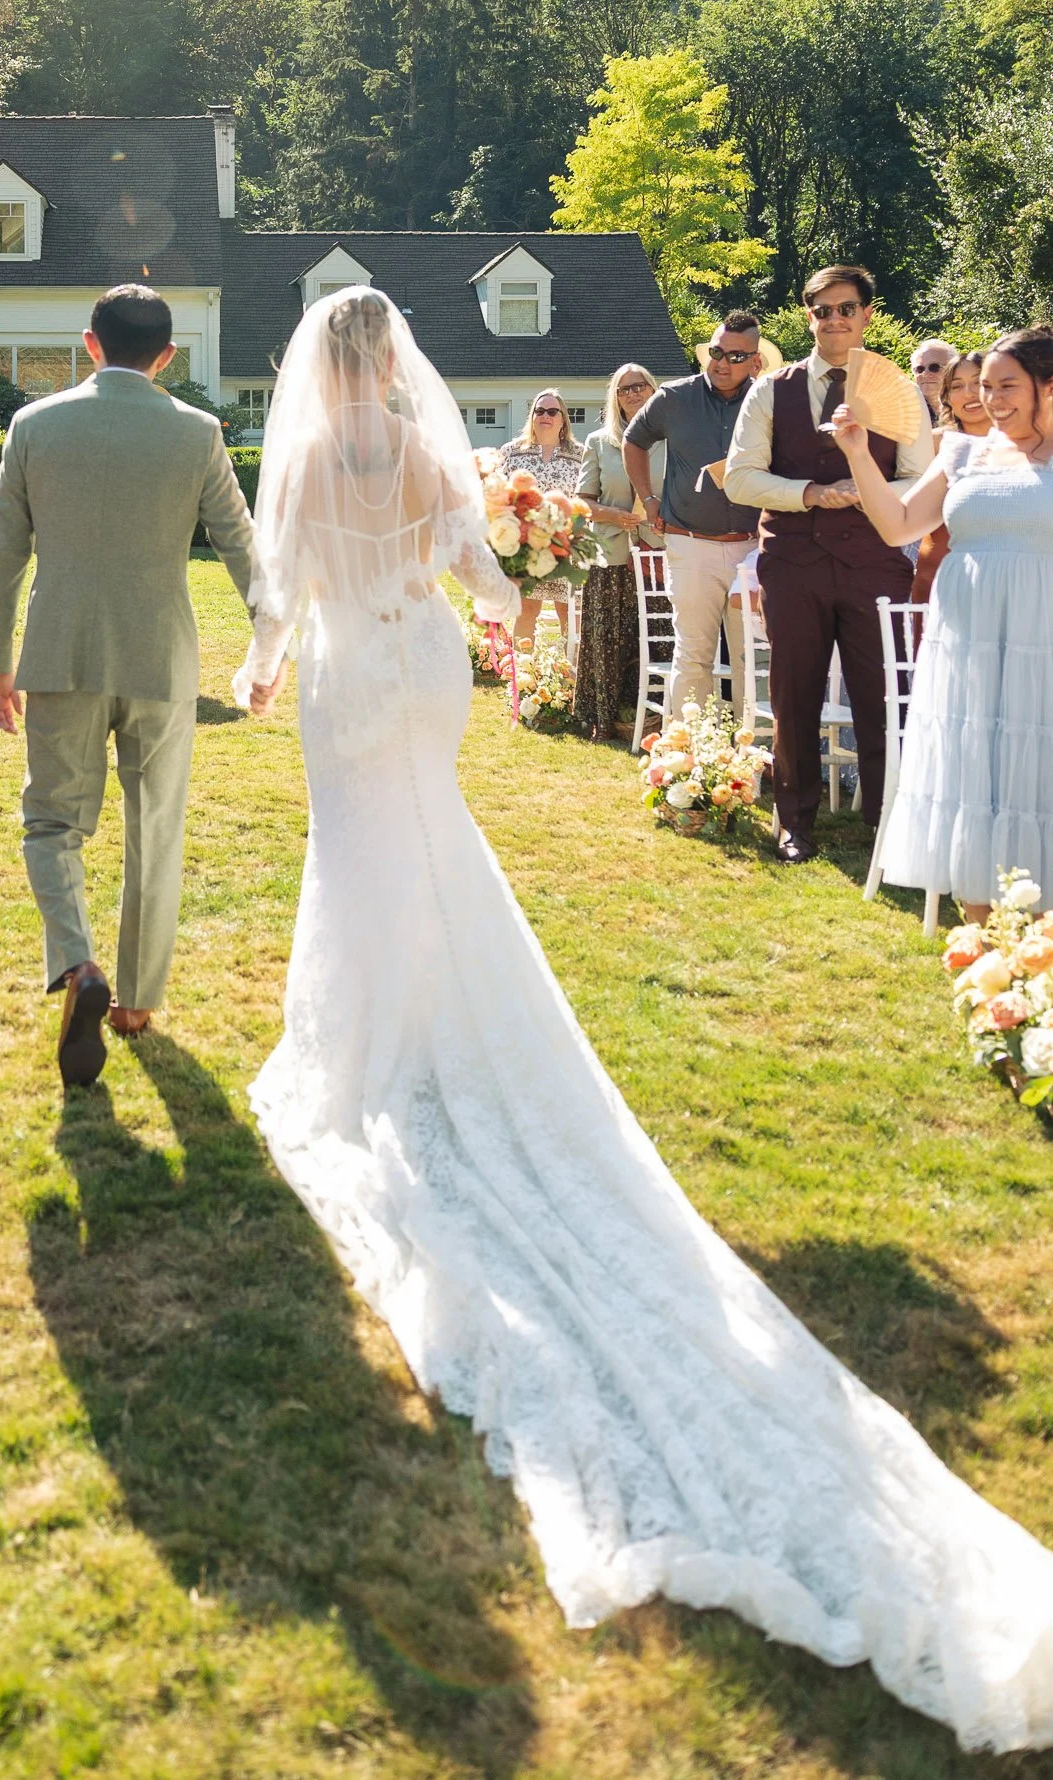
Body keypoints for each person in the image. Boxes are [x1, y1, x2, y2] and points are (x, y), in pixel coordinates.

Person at [236, 284, 1053, 1755]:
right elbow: (483, 582)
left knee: (353, 859)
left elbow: (276, 600)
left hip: (349, 680)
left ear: (314, 371)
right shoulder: (429, 460)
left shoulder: (293, 464)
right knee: (434, 856)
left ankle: (370, 1052)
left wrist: (255, 669)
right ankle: (430, 1032)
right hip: (421, 677)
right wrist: (524, 599)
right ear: (393, 366)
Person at [0, 282, 256, 1084]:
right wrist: (271, 636)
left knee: (50, 823)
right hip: (160, 654)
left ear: (89, 344)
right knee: (154, 826)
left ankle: (77, 963)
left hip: (60, 647)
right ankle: (135, 999)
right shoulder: (198, 432)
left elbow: (3, 553)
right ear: (167, 356)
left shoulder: (35, 424)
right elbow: (238, 542)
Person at [833, 326, 1053, 918]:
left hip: (1044, 640)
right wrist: (857, 452)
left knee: (1038, 774)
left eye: (1008, 385)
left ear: (1048, 387)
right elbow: (898, 525)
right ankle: (985, 947)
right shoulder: (961, 452)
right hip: (967, 641)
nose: (991, 397)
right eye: (984, 385)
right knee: (974, 775)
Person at [724, 267, 934, 864]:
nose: (835, 319)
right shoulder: (771, 390)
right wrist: (810, 493)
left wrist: (866, 489)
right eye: (823, 310)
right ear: (807, 315)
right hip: (793, 560)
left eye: (847, 308)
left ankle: (889, 821)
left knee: (884, 693)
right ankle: (794, 823)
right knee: (795, 693)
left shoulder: (898, 388)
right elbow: (740, 477)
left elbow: (918, 476)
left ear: (867, 314)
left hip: (875, 561)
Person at [622, 314, 764, 723]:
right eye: (716, 351)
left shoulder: (767, 402)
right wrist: (649, 499)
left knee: (748, 659)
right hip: (690, 543)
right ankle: (690, 754)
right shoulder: (674, 397)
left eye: (735, 356)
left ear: (755, 362)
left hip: (752, 549)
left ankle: (747, 759)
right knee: (693, 653)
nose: (721, 363)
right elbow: (634, 440)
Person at [571, 364, 663, 740]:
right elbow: (582, 502)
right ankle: (604, 720)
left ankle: (654, 722)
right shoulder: (598, 441)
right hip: (610, 553)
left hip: (657, 553)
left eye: (640, 386)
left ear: (653, 390)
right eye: (625, 389)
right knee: (607, 640)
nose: (633, 393)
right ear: (615, 397)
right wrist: (615, 515)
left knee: (655, 635)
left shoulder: (671, 438)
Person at [496, 389, 583, 647]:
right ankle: (524, 673)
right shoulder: (512, 452)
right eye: (540, 410)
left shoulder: (580, 454)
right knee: (527, 610)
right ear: (532, 416)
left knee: (569, 611)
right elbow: (500, 498)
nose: (546, 416)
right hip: (526, 546)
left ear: (563, 419)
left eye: (552, 411)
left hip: (566, 545)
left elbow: (588, 497)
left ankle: (570, 674)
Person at [911, 351, 988, 607]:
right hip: (938, 573)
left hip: (1006, 575)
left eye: (978, 382)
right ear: (947, 397)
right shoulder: (935, 443)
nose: (969, 393)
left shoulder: (1028, 446)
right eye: (956, 386)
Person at [911, 338, 959, 424]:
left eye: (934, 367)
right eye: (919, 369)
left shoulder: (969, 405)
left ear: (954, 369)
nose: (925, 374)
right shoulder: (906, 410)